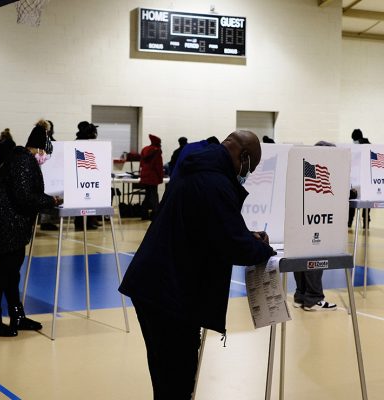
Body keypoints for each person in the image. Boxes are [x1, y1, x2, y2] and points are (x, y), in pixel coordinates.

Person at [119, 130, 275, 399]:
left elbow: (208, 226)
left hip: (159, 284)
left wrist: (246, 235)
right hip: (167, 291)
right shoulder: (214, 181)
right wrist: (263, 249)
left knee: (168, 374)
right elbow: (231, 243)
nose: (247, 174)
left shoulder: (198, 168)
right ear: (244, 156)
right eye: (251, 167)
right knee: (176, 377)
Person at [0, 119, 63, 337]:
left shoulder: (20, 159)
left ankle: (16, 316)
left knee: (10, 274)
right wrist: (51, 201)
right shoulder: (23, 162)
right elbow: (25, 197)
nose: (45, 157)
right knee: (1, 274)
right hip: (6, 225)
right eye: (45, 153)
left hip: (9, 225)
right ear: (38, 148)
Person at [293, 140, 337, 312]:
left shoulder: (305, 168)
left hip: (300, 219)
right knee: (315, 255)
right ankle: (313, 298)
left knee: (302, 254)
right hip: (316, 219)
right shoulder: (320, 170)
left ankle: (301, 296)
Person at [74, 121, 100, 230]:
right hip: (84, 174)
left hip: (84, 174)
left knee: (86, 200)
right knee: (84, 200)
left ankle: (87, 222)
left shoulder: (80, 140)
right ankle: (83, 223)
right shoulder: (83, 142)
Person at [348, 129, 371, 228]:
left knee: (353, 199)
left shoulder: (357, 147)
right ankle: (366, 223)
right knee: (366, 203)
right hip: (366, 180)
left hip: (358, 179)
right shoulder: (369, 145)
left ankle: (350, 222)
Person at [139, 134, 164, 220]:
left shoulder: (145, 149)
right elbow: (158, 166)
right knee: (154, 196)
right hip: (153, 177)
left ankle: (144, 213)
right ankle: (155, 214)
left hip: (145, 176)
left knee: (148, 195)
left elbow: (141, 163)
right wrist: (161, 177)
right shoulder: (157, 151)